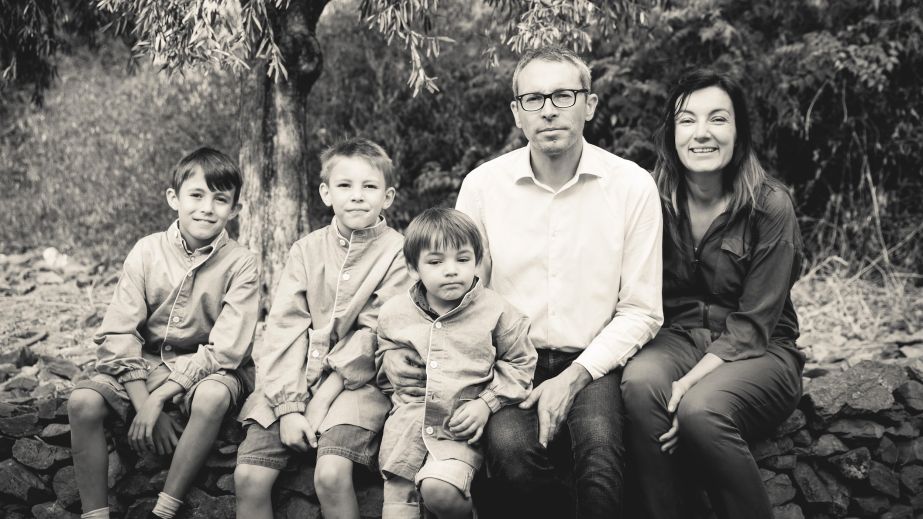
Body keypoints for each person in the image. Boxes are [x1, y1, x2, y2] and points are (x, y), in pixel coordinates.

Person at [382, 46, 664, 518]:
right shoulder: (484, 185)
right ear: (517, 112)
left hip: (593, 361)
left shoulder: (631, 185)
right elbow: (453, 288)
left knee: (600, 454)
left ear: (589, 105)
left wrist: (574, 376)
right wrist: (398, 348)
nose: (548, 110)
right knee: (510, 452)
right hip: (506, 365)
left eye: (563, 95)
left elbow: (642, 310)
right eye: (533, 98)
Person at [620, 70, 805, 519]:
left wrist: (688, 383)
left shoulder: (770, 204)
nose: (701, 133)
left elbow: (754, 325)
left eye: (717, 119)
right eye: (687, 120)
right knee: (640, 386)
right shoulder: (649, 198)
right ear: (672, 133)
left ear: (739, 131)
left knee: (701, 411)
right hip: (675, 339)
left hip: (761, 351)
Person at [68, 147, 260, 519]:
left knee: (212, 397)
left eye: (220, 200)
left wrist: (158, 399)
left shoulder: (242, 263)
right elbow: (119, 332)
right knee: (82, 402)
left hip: (209, 371)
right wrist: (144, 403)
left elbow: (227, 349)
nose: (207, 208)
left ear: (235, 209)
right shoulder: (147, 251)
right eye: (196, 195)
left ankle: (165, 510)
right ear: (174, 198)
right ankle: (95, 515)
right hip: (144, 364)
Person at [233, 138, 410, 519]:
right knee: (248, 477)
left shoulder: (399, 253)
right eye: (345, 185)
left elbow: (376, 334)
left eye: (370, 186)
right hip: (291, 380)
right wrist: (288, 407)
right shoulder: (306, 250)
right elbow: (284, 329)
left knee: (330, 475)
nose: (357, 196)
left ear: (388, 197)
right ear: (326, 194)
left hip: (358, 386)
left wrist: (319, 401)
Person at [375, 208, 537, 519]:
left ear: (477, 260)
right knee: (397, 509)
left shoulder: (498, 312)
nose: (451, 271)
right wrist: (389, 358)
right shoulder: (394, 313)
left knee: (440, 490)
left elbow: (521, 364)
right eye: (435, 262)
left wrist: (486, 403)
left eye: (462, 259)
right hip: (405, 431)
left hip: (457, 429)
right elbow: (383, 353)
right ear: (413, 268)